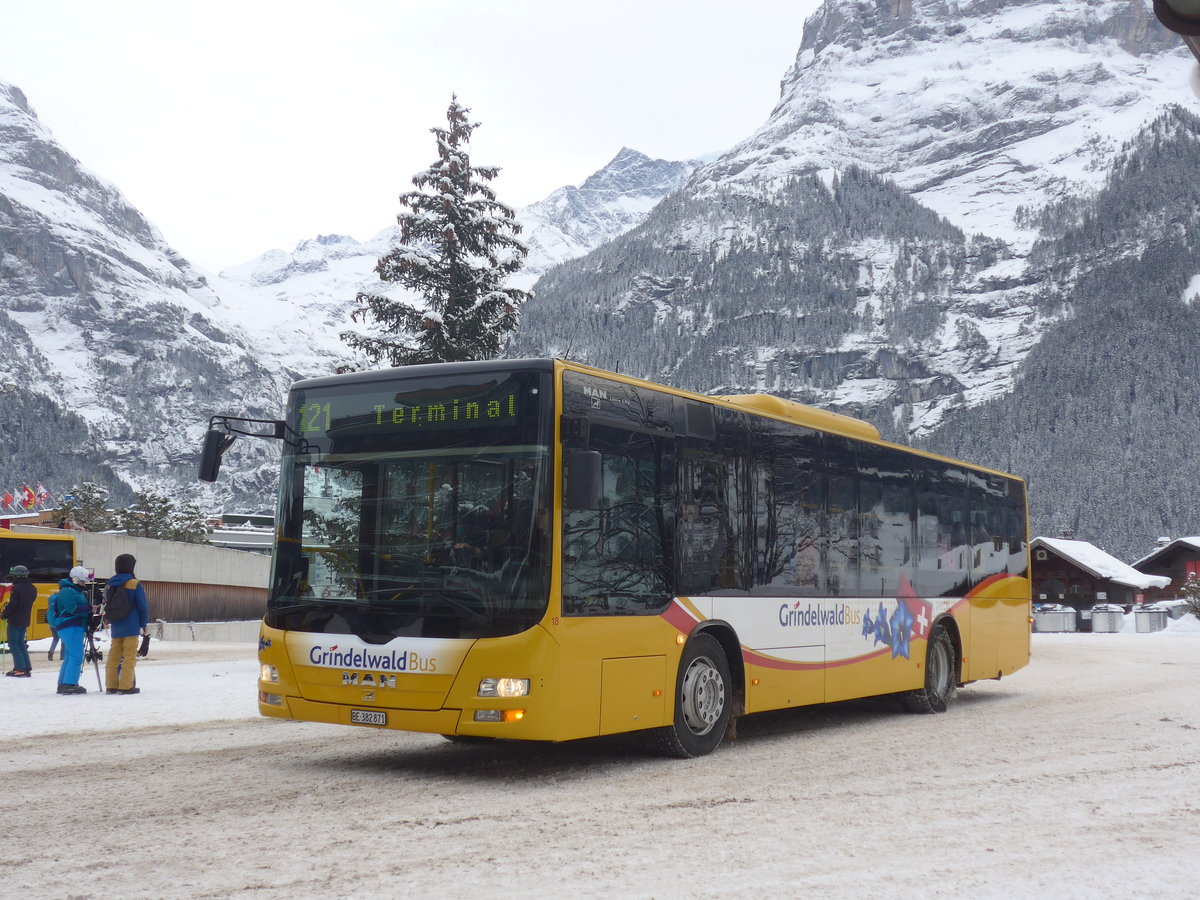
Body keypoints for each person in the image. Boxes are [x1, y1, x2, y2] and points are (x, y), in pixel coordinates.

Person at [105, 553, 149, 695]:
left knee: (114, 656)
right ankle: (125, 686)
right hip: (131, 624)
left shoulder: (111, 583)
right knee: (129, 656)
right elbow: (142, 606)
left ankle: (111, 685)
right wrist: (143, 624)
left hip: (116, 624)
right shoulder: (134, 583)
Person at [47, 566, 94, 694]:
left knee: (69, 656)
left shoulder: (71, 590)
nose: (84, 584)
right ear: (74, 579)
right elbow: (72, 609)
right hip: (71, 626)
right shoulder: (68, 591)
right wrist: (90, 608)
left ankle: (63, 684)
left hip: (71, 627)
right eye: (82, 581)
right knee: (76, 656)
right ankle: (70, 684)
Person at [2, 565, 36, 677]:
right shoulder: (32, 588)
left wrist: (4, 614)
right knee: (21, 643)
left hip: (15, 620)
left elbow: (13, 605)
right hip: (25, 619)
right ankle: (26, 667)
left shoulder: (16, 588)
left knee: (13, 644)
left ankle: (19, 668)